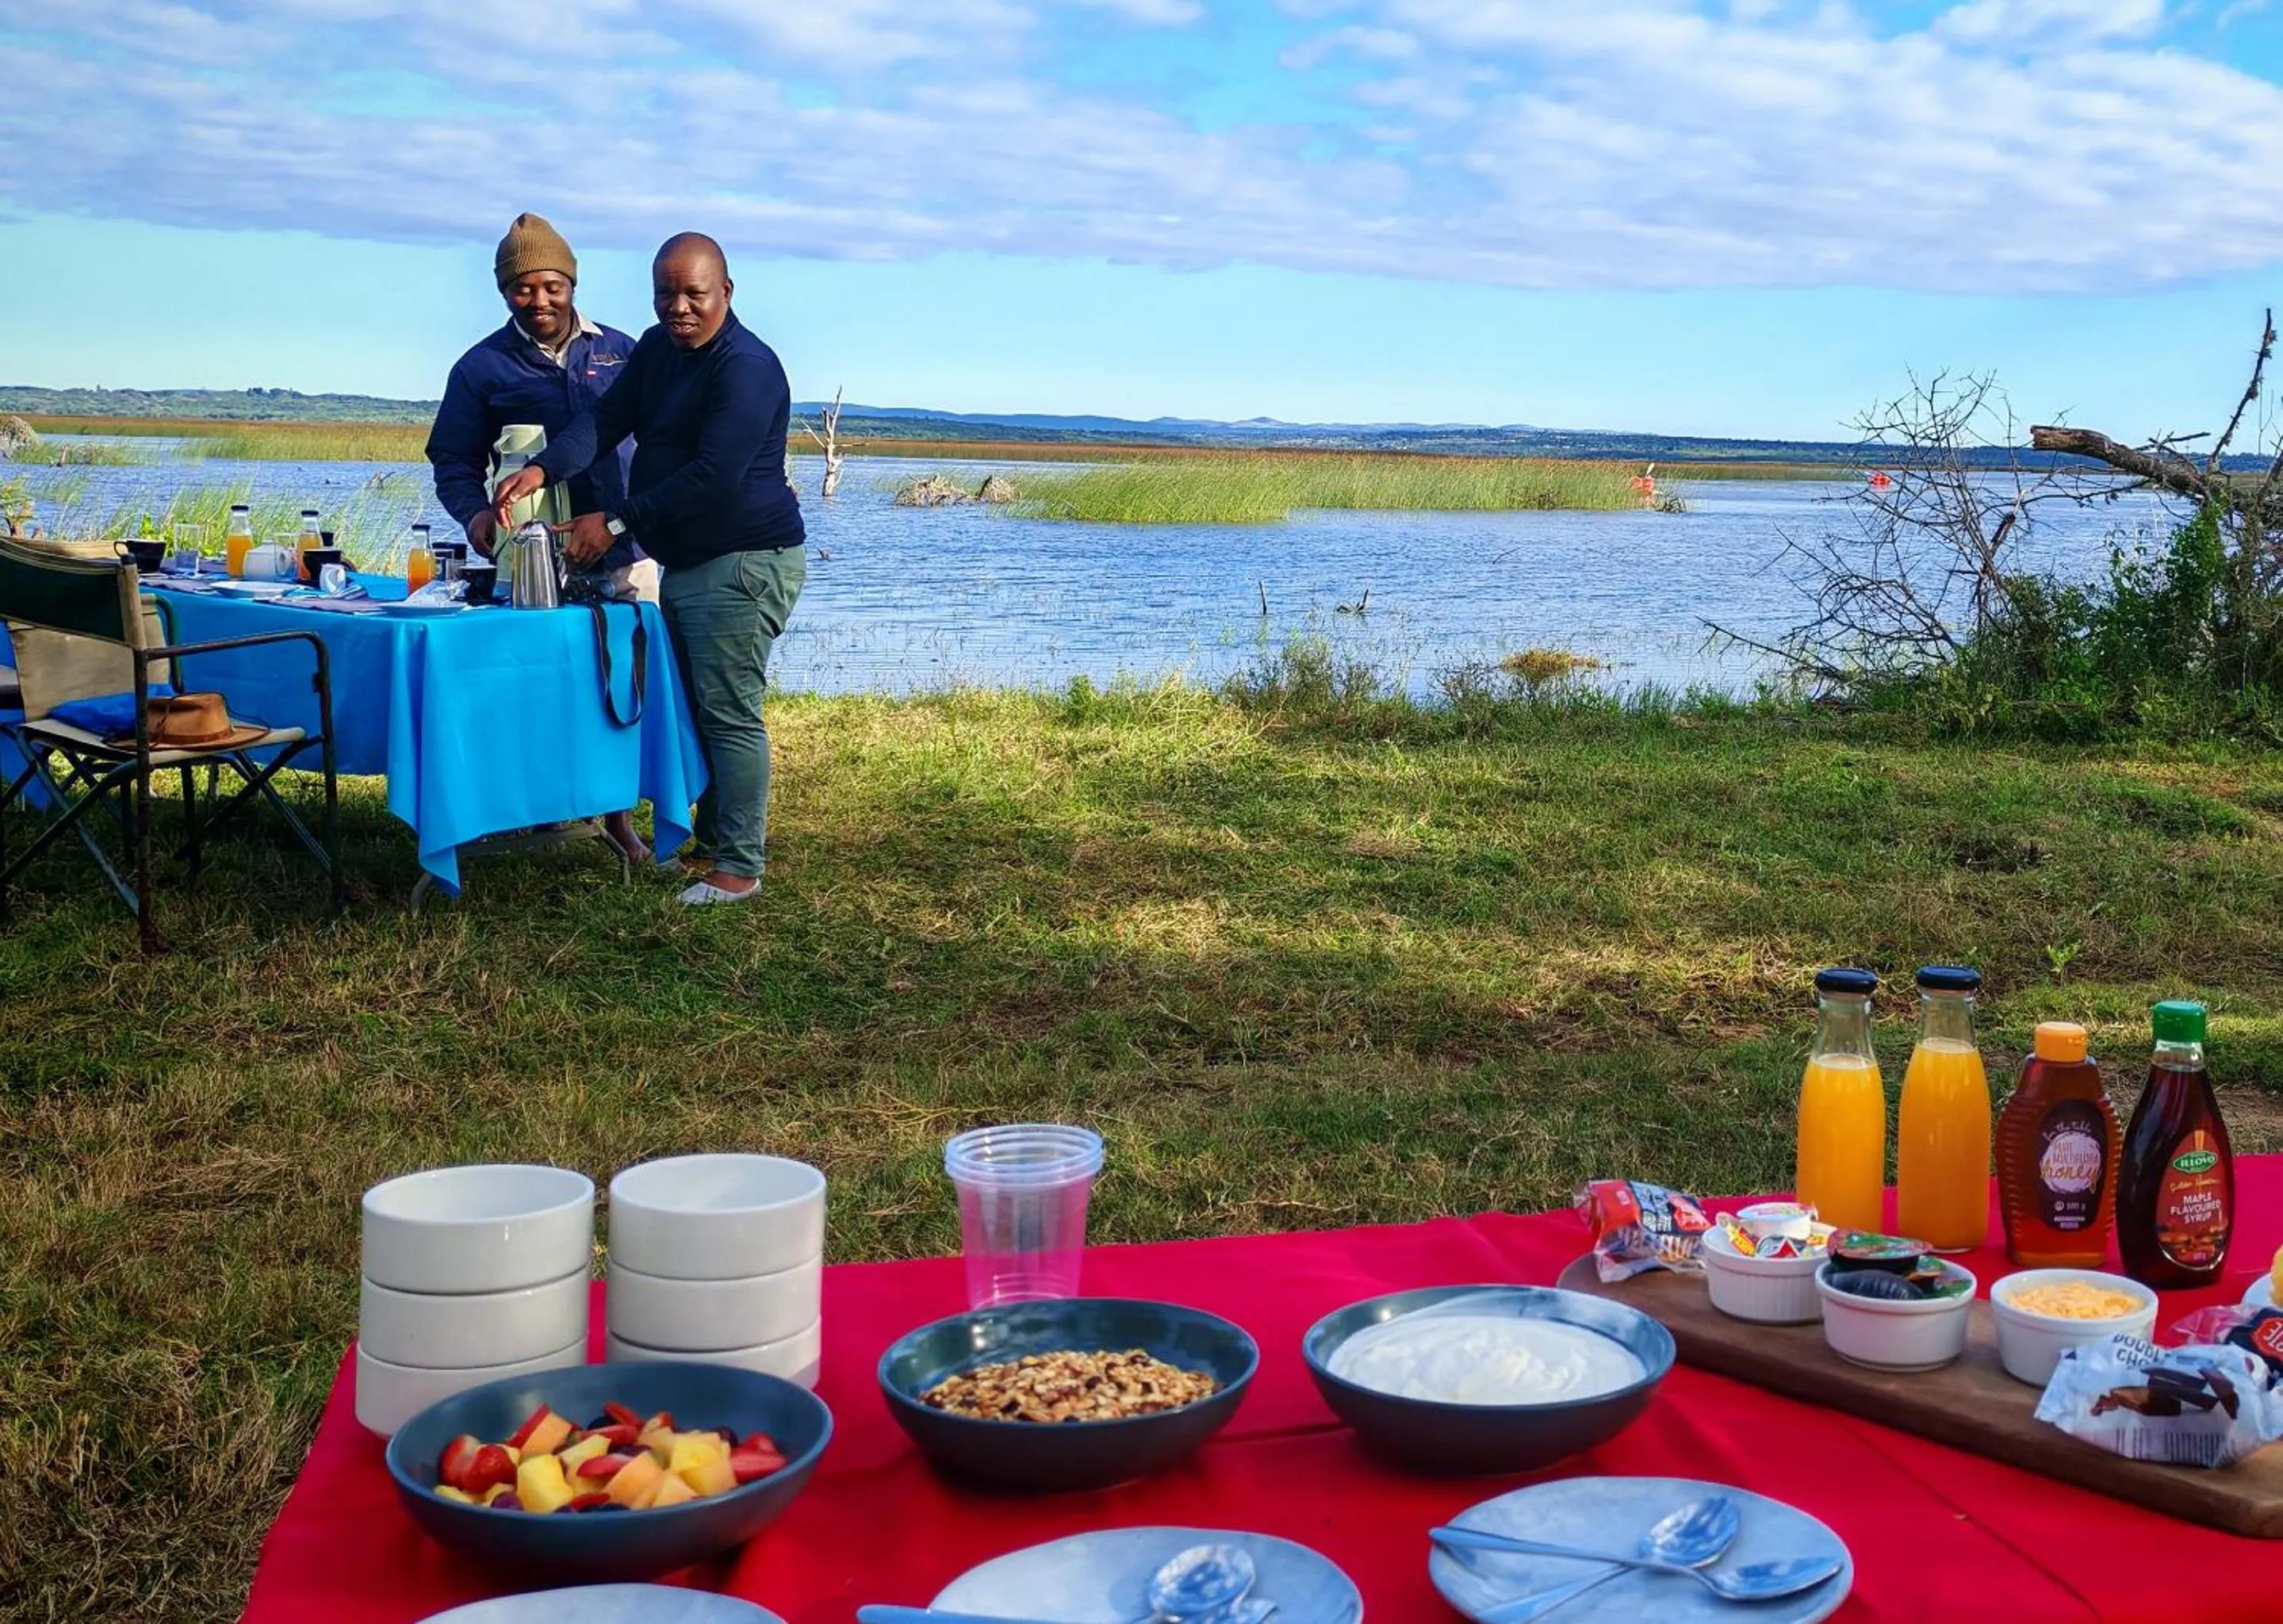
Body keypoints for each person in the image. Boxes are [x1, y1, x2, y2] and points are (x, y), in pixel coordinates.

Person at [493, 232, 805, 906]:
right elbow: (604, 421)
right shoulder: (659, 350)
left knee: (728, 713)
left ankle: (739, 868)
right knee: (696, 705)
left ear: (726, 290)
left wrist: (612, 522)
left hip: (745, 560)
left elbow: (712, 478)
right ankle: (715, 839)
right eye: (667, 294)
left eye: (694, 293)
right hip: (690, 560)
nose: (679, 308)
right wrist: (543, 468)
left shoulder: (746, 367)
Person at [427, 212, 649, 862]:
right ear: (504, 292)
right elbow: (453, 460)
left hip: (622, 545)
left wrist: (636, 518)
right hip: (527, 554)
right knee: (532, 681)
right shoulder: (481, 366)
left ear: (572, 283)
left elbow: (660, 439)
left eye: (552, 285)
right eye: (523, 289)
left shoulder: (621, 350)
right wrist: (474, 520)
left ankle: (616, 816)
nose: (540, 300)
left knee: (619, 682)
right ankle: (528, 806)